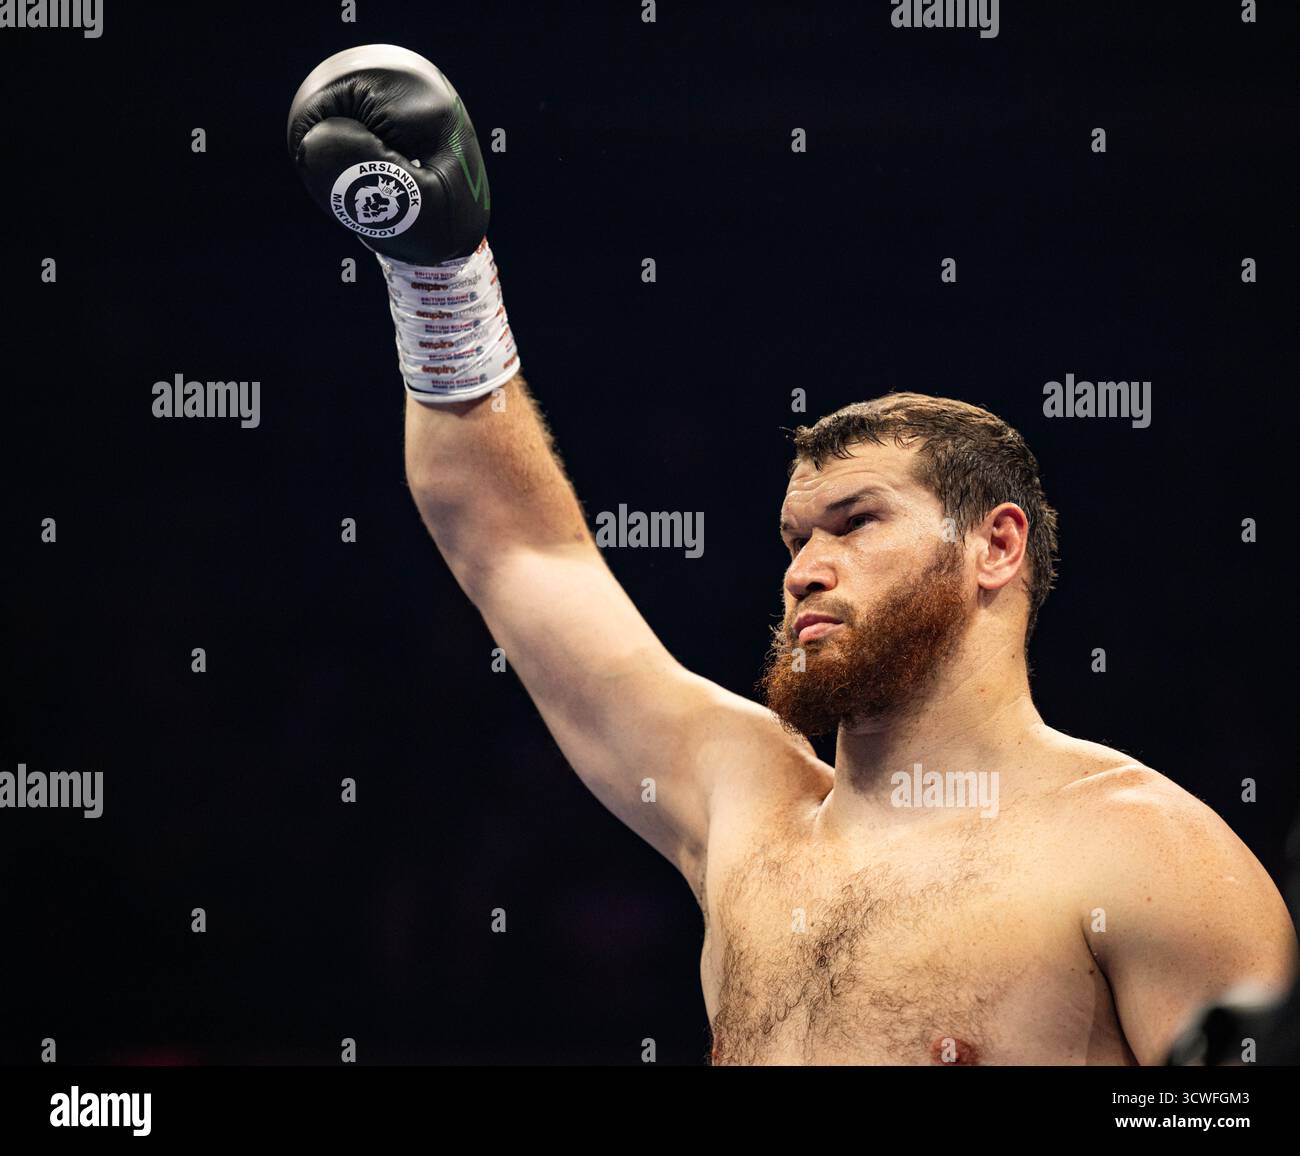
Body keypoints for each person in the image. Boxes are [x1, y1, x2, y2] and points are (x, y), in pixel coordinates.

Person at [288, 44, 1298, 1065]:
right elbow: (515, 548)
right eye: (795, 536)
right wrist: (436, 271)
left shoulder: (1149, 858)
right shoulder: (745, 804)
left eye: (855, 522)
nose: (804, 566)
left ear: (995, 544)